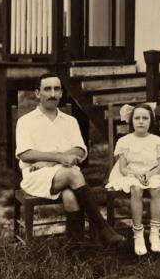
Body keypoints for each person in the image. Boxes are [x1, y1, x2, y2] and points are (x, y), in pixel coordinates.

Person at [15, 73, 125, 248]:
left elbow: (80, 150)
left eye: (57, 89)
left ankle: (75, 251)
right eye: (47, 89)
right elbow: (25, 154)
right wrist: (59, 157)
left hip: (64, 173)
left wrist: (49, 161)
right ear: (37, 93)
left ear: (61, 93)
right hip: (36, 177)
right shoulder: (25, 121)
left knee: (70, 197)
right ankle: (102, 228)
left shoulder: (70, 121)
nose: (53, 93)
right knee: (73, 173)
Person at [106, 103, 160, 256]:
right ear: (131, 121)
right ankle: (138, 233)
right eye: (137, 118)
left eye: (145, 118)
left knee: (156, 188)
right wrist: (135, 175)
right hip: (129, 174)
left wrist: (149, 175)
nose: (141, 121)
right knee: (136, 189)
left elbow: (158, 166)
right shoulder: (124, 141)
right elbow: (123, 168)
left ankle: (155, 232)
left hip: (152, 173)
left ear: (151, 121)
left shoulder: (156, 141)